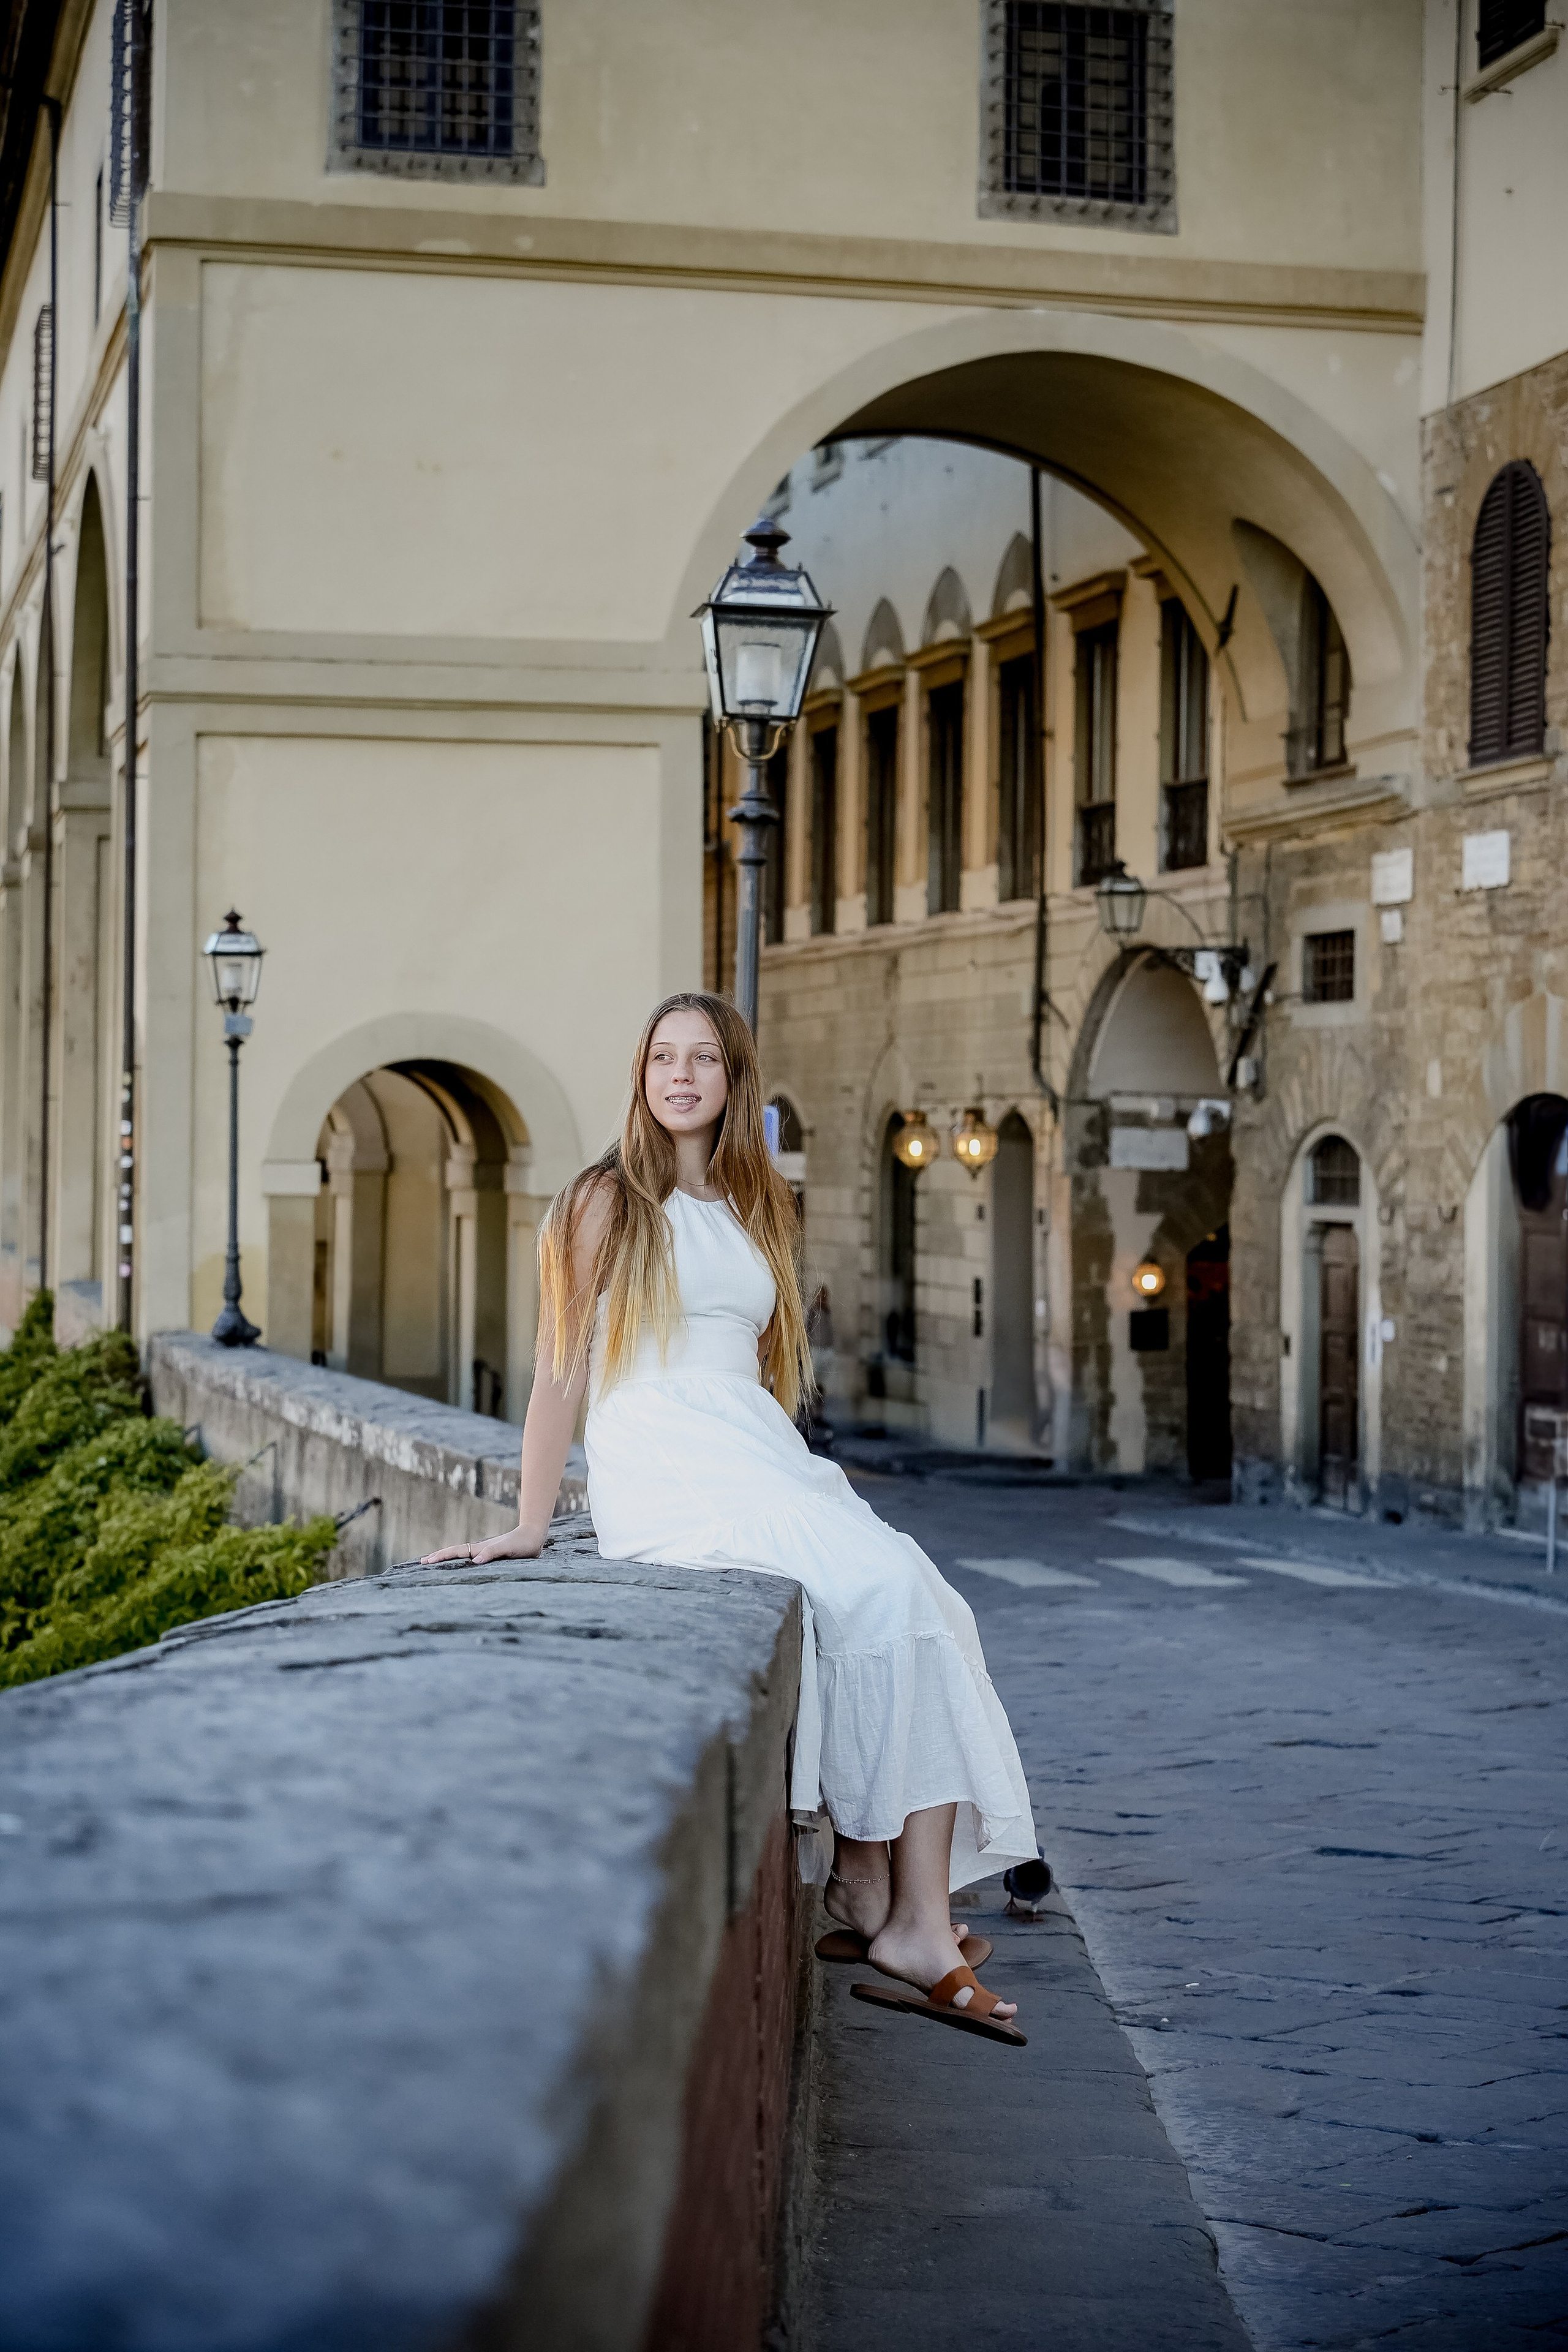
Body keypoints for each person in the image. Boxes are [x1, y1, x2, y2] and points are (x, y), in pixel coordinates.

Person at [423, 992, 1037, 2046]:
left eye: (704, 1058)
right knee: (883, 1589)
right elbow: (561, 1372)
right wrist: (531, 1521)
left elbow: (751, 1367)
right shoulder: (603, 1202)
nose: (682, 1075)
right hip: (663, 1455)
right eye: (663, 1057)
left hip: (749, 1445)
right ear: (642, 1076)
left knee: (924, 1593)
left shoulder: (759, 1205)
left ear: (731, 1078)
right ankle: (914, 1928)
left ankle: (877, 1893)